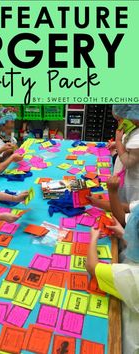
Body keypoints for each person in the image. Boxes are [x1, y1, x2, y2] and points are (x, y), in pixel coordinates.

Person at [86, 219, 139, 354]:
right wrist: (123, 234)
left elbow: (92, 266)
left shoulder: (131, 276)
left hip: (129, 337)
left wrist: (93, 239)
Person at [111, 105, 139, 203]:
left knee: (128, 205)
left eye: (119, 120)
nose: (118, 124)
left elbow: (128, 162)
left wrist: (118, 141)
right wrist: (117, 144)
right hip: (125, 177)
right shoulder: (134, 127)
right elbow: (128, 142)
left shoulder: (138, 139)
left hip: (134, 186)